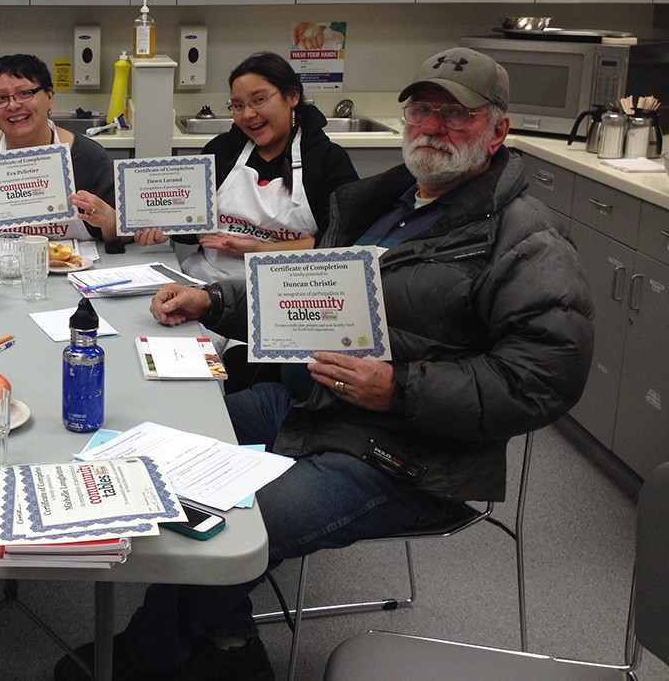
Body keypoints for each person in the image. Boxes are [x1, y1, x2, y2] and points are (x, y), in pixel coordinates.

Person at [54, 47, 594, 681]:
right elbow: (302, 292)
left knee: (235, 527)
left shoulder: (525, 238)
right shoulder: (388, 203)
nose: (433, 127)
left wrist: (399, 388)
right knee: (166, 446)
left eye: (457, 115)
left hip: (405, 454)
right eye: (422, 110)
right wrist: (215, 300)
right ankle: (226, 641)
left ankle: (147, 658)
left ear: (498, 130)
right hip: (310, 405)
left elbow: (545, 377)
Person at [134, 52, 357, 390]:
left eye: (259, 100)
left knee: (240, 375)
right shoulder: (222, 150)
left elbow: (338, 245)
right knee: (174, 378)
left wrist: (260, 249)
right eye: (237, 105)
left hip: (278, 298)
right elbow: (193, 228)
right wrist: (159, 223)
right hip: (203, 285)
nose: (248, 114)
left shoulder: (327, 160)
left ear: (292, 96)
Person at [0, 53, 119, 244]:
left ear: (49, 96)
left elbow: (130, 233)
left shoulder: (88, 158)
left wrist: (111, 222)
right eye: (0, 98)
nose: (13, 106)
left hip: (72, 271)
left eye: (25, 94)